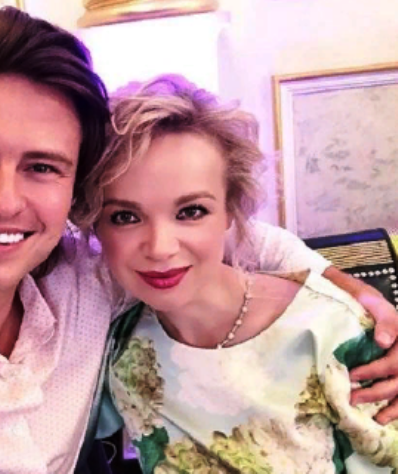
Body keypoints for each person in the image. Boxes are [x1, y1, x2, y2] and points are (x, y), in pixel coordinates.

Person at [0, 8, 396, 474]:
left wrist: (360, 302)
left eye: (42, 167)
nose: (5, 200)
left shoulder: (88, 277)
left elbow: (224, 234)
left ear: (72, 191)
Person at [85, 74, 398, 472]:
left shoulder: (330, 330)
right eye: (125, 217)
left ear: (231, 210)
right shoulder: (119, 348)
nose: (160, 247)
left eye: (191, 211)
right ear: (94, 225)